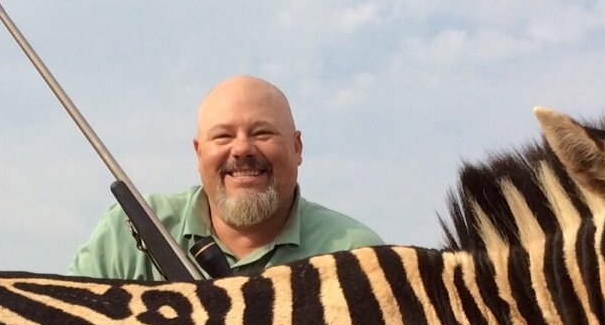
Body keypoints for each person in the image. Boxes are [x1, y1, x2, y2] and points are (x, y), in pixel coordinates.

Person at [69, 75, 382, 280]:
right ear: (198, 153)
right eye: (223, 136)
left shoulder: (360, 255)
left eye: (262, 132)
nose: (242, 148)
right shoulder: (125, 231)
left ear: (297, 147)